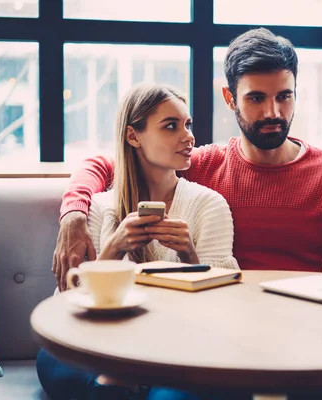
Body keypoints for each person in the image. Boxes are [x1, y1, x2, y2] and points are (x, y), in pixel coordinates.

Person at [51, 28, 322, 399]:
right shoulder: (198, 164)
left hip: (314, 334)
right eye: (256, 98)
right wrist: (73, 214)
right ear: (229, 98)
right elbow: (107, 163)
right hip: (227, 336)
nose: (273, 111)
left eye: (284, 96)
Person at [37, 84, 239, 400]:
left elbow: (222, 307)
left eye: (188, 124)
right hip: (106, 341)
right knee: (53, 363)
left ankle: (124, 384)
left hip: (177, 346)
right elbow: (70, 301)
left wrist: (189, 255)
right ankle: (120, 380)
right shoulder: (102, 207)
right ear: (134, 136)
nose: (188, 137)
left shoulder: (209, 205)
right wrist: (113, 249)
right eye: (171, 126)